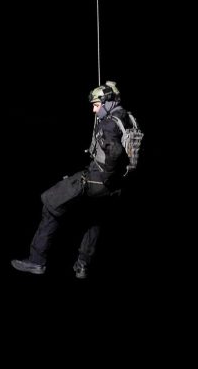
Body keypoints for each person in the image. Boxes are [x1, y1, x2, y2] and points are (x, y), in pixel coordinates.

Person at [11, 81, 135, 278]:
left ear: (107, 102)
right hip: (116, 185)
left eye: (97, 105)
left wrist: (105, 177)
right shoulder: (126, 117)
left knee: (50, 202)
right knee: (94, 218)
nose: (94, 110)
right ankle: (82, 266)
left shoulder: (109, 124)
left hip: (99, 181)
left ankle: (36, 261)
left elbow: (116, 152)